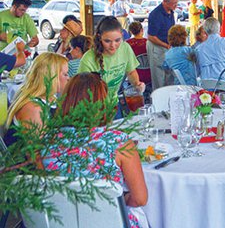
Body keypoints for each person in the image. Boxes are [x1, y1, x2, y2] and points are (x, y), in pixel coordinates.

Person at [43, 73, 148, 226]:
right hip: (109, 222)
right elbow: (140, 199)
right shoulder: (118, 142)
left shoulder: (46, 142)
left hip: (63, 222)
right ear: (101, 104)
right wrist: (117, 199)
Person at [4, 53, 69, 145]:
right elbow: (35, 152)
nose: (68, 78)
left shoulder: (51, 99)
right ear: (51, 76)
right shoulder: (34, 108)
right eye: (65, 74)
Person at [78, 16, 144, 99]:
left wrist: (137, 84)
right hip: (94, 107)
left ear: (122, 35)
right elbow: (82, 91)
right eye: (107, 41)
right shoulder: (88, 60)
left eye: (117, 40)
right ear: (99, 37)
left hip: (114, 102)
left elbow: (130, 71)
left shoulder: (125, 48)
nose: (113, 45)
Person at [147, 0, 177, 89]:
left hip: (167, 46)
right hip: (157, 46)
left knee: (170, 75)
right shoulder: (156, 14)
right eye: (174, 3)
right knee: (158, 77)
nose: (176, 6)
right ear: (165, 2)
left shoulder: (171, 12)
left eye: (176, 3)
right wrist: (166, 45)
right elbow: (151, 36)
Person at [126, 22, 151, 89]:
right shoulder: (149, 43)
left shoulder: (127, 44)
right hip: (150, 73)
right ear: (142, 30)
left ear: (130, 31)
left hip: (134, 74)